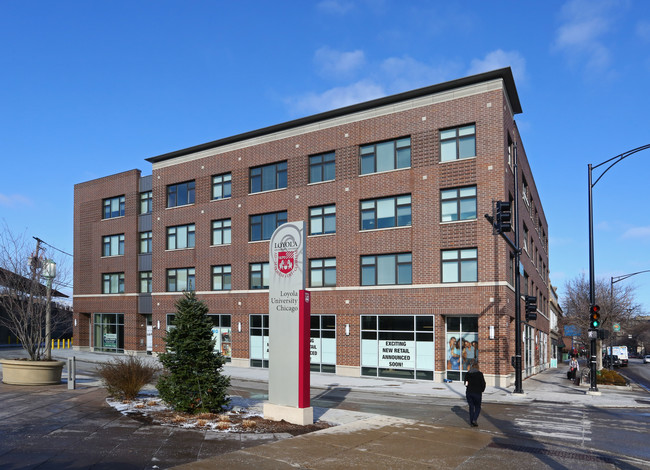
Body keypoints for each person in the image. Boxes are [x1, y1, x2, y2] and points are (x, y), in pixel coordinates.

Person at [464, 360, 486, 427]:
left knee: (471, 407)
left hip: (469, 393)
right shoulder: (480, 374)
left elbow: (465, 383)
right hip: (477, 393)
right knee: (477, 407)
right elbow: (483, 383)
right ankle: (474, 419)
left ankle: (471, 421)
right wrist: (482, 390)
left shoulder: (467, 374)